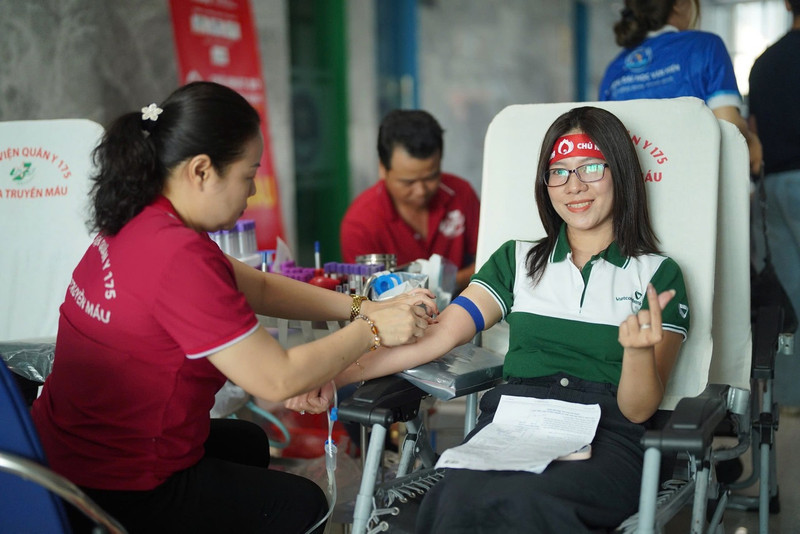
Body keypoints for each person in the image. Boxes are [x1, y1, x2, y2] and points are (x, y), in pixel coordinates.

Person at [30, 81, 437, 534]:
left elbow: (258, 286)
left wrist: (360, 308)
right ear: (202, 171)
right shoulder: (175, 256)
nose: (251, 192)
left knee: (248, 442)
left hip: (63, 449)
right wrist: (375, 330)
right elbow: (275, 378)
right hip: (119, 482)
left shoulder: (142, 217)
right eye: (248, 175)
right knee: (304, 505)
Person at [288, 106, 690, 532]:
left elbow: (639, 408)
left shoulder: (657, 276)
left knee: (530, 504)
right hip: (514, 425)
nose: (575, 187)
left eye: (591, 168)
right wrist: (336, 377)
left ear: (621, 173)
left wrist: (638, 355)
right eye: (559, 172)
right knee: (454, 495)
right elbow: (436, 338)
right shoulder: (517, 261)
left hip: (607, 436)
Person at [599, 0, 763, 176]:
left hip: (633, 191)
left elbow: (602, 142)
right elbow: (729, 125)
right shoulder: (705, 46)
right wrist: (752, 142)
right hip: (693, 182)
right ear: (679, 3)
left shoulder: (615, 68)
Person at [339, 109, 480, 293]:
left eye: (431, 177)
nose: (421, 191)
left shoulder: (461, 194)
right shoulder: (361, 224)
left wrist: (452, 282)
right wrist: (438, 286)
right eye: (408, 182)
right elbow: (365, 296)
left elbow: (493, 260)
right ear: (382, 168)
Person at [748, 0, 800, 409]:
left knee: (787, 291)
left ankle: (791, 395)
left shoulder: (764, 64)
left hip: (772, 190)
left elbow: (752, 132)